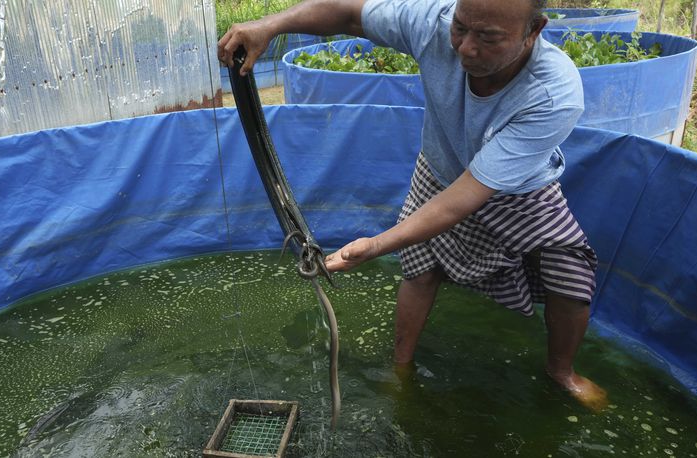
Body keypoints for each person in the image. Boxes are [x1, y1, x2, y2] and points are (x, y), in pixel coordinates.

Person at [218, 0, 607, 410]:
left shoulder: (553, 92)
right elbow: (348, 13)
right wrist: (269, 25)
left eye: (488, 38)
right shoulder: (433, 23)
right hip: (438, 168)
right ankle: (400, 366)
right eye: (461, 28)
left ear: (535, 29)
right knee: (420, 271)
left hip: (520, 189)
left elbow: (469, 194)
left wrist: (377, 244)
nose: (465, 49)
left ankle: (562, 371)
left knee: (570, 275)